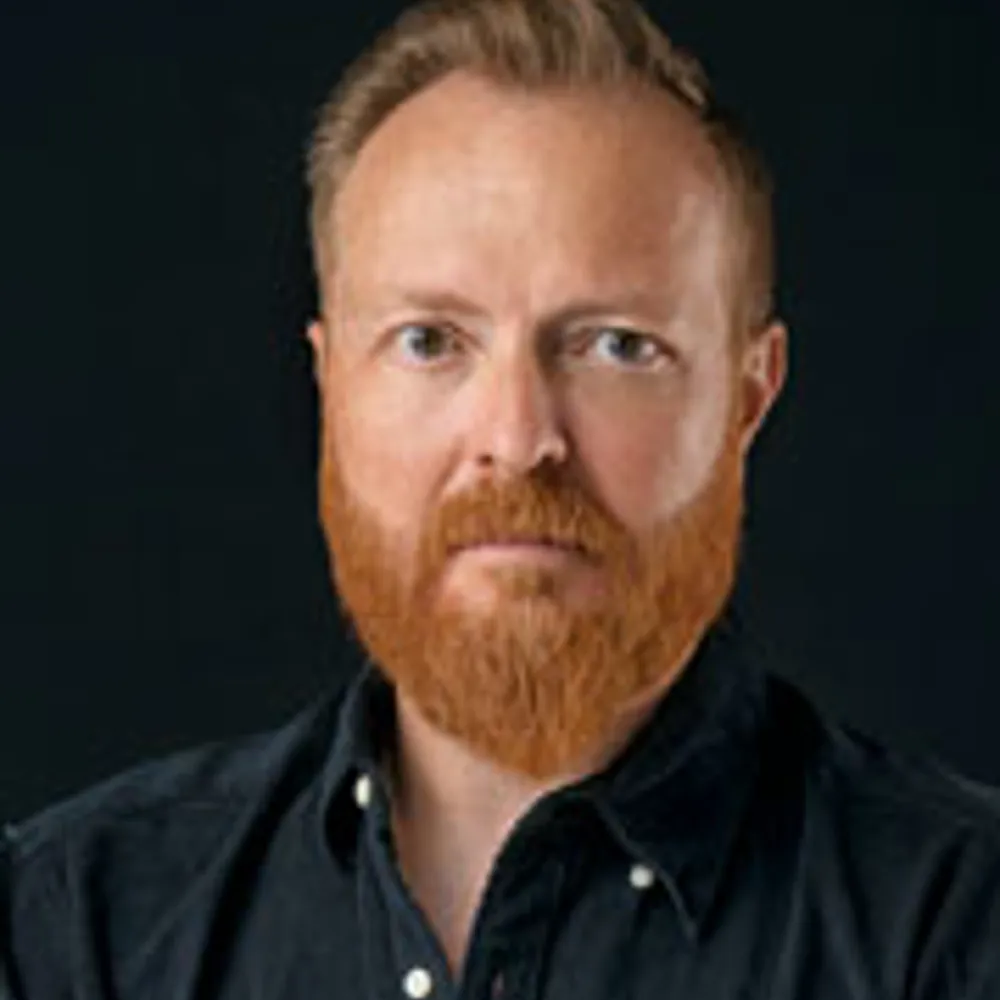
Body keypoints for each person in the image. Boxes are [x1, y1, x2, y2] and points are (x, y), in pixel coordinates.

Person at [3, 0, 999, 996]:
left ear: (747, 398)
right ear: (330, 385)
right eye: (430, 341)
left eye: (616, 345)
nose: (518, 442)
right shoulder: (73, 931)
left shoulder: (961, 929)